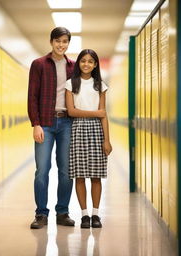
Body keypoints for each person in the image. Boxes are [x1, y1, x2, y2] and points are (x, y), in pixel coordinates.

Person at [28, 27, 75, 229]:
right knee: (42, 170)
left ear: (68, 43)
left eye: (65, 41)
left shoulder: (73, 67)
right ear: (51, 41)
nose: (61, 45)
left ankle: (62, 212)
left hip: (67, 123)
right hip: (45, 124)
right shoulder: (39, 64)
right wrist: (36, 123)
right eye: (57, 41)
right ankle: (41, 214)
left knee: (66, 171)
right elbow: (32, 96)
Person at [65, 49, 112, 229]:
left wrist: (106, 140)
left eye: (90, 61)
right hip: (77, 129)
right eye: (83, 61)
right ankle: (84, 215)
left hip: (96, 131)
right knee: (79, 176)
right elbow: (71, 111)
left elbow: (104, 115)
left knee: (96, 176)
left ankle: (95, 214)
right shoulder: (71, 84)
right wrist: (96, 113)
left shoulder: (100, 85)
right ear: (78, 63)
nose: (86, 64)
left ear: (95, 64)